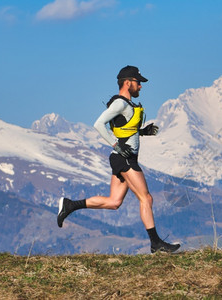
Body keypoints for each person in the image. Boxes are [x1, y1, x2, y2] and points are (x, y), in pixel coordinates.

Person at [57, 65, 180, 254]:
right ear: (128, 83)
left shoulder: (128, 105)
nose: (140, 86)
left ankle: (70, 205)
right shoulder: (120, 103)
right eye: (138, 82)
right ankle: (156, 243)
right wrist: (115, 145)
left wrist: (142, 132)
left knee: (114, 202)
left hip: (122, 158)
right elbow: (98, 124)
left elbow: (125, 130)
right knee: (146, 197)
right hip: (124, 158)